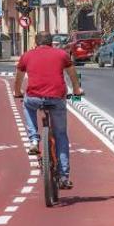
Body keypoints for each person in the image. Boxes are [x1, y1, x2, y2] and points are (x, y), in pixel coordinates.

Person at [13, 31, 84, 189]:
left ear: (36, 43)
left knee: (27, 104)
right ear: (51, 43)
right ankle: (64, 176)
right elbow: (72, 74)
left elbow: (18, 78)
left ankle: (33, 139)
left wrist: (17, 92)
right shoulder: (62, 54)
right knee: (60, 135)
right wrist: (77, 90)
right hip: (57, 98)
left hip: (34, 98)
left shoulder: (27, 56)